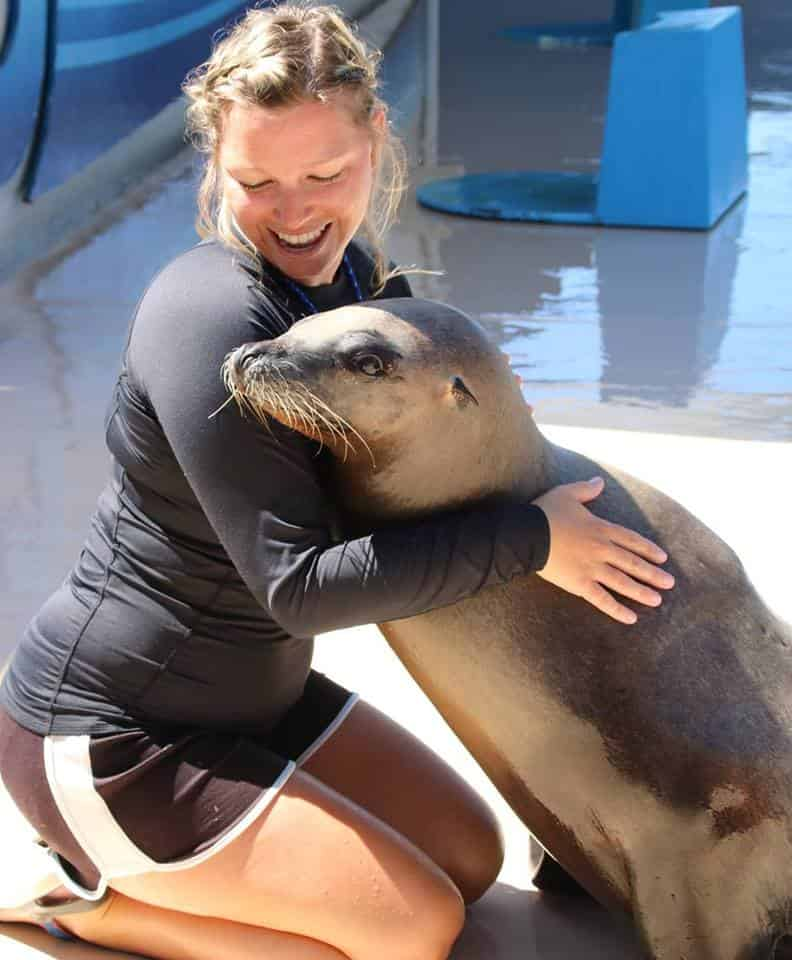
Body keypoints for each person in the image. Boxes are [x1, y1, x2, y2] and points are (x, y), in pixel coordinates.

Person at [0, 5, 674, 959]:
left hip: (254, 704)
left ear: (376, 139)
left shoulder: (349, 279)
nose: (296, 211)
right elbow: (298, 585)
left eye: (326, 173)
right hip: (113, 736)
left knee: (470, 857)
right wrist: (534, 543)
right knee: (414, 931)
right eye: (255, 182)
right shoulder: (209, 317)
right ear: (214, 164)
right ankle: (86, 901)